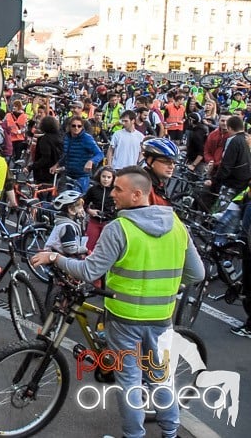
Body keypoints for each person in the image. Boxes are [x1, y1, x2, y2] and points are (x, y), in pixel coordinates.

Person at [31, 167, 204, 438]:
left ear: (137, 194)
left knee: (130, 382)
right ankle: (170, 433)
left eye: (118, 189)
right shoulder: (178, 227)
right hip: (161, 317)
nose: (112, 194)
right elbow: (197, 273)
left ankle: (134, 435)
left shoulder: (119, 228)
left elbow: (90, 271)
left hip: (125, 319)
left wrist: (55, 259)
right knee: (161, 378)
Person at [206, 114, 251, 211]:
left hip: (231, 183)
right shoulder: (245, 139)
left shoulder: (233, 141)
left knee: (221, 211)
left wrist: (214, 181)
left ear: (230, 128)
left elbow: (226, 165)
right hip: (242, 183)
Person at [54, 116, 103, 193]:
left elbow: (100, 154)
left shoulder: (87, 138)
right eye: (73, 126)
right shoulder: (67, 137)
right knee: (64, 199)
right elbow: (66, 155)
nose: (76, 128)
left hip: (82, 176)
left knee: (78, 201)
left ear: (82, 127)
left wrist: (91, 161)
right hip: (68, 174)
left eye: (79, 126)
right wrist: (57, 165)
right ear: (69, 126)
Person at [44, 190, 88, 256]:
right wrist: (85, 249)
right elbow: (70, 249)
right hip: (57, 258)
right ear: (70, 210)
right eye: (80, 207)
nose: (82, 210)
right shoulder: (67, 227)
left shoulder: (70, 221)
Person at [84, 166, 116, 252]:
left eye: (109, 177)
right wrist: (89, 210)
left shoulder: (116, 191)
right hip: (94, 221)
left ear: (113, 179)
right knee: (89, 246)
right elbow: (83, 203)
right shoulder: (93, 189)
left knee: (106, 247)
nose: (106, 179)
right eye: (103, 176)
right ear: (99, 177)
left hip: (109, 223)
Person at [140, 137, 178, 206]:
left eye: (174, 163)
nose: (172, 166)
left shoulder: (159, 184)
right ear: (150, 160)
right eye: (166, 162)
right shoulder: (143, 186)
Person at [30, 116, 62, 184]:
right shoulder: (60, 137)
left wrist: (31, 167)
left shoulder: (44, 139)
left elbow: (45, 158)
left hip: (45, 172)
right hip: (58, 169)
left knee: (42, 191)